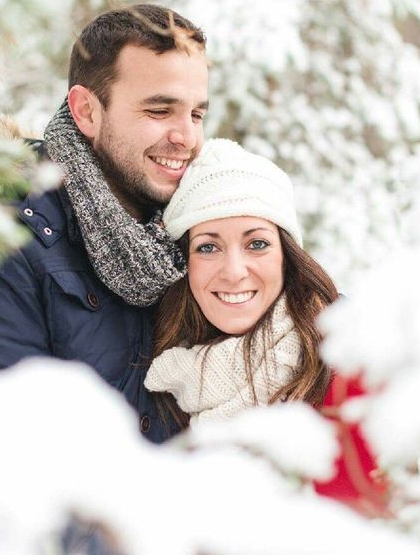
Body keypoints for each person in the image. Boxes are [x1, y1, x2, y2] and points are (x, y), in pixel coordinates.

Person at [0, 4, 209, 446]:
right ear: (87, 111)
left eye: (197, 114)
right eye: (160, 111)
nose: (187, 138)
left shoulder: (204, 236)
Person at [145, 138, 389, 515]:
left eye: (256, 244)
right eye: (208, 247)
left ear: (286, 257)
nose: (234, 271)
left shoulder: (347, 367)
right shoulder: (166, 377)